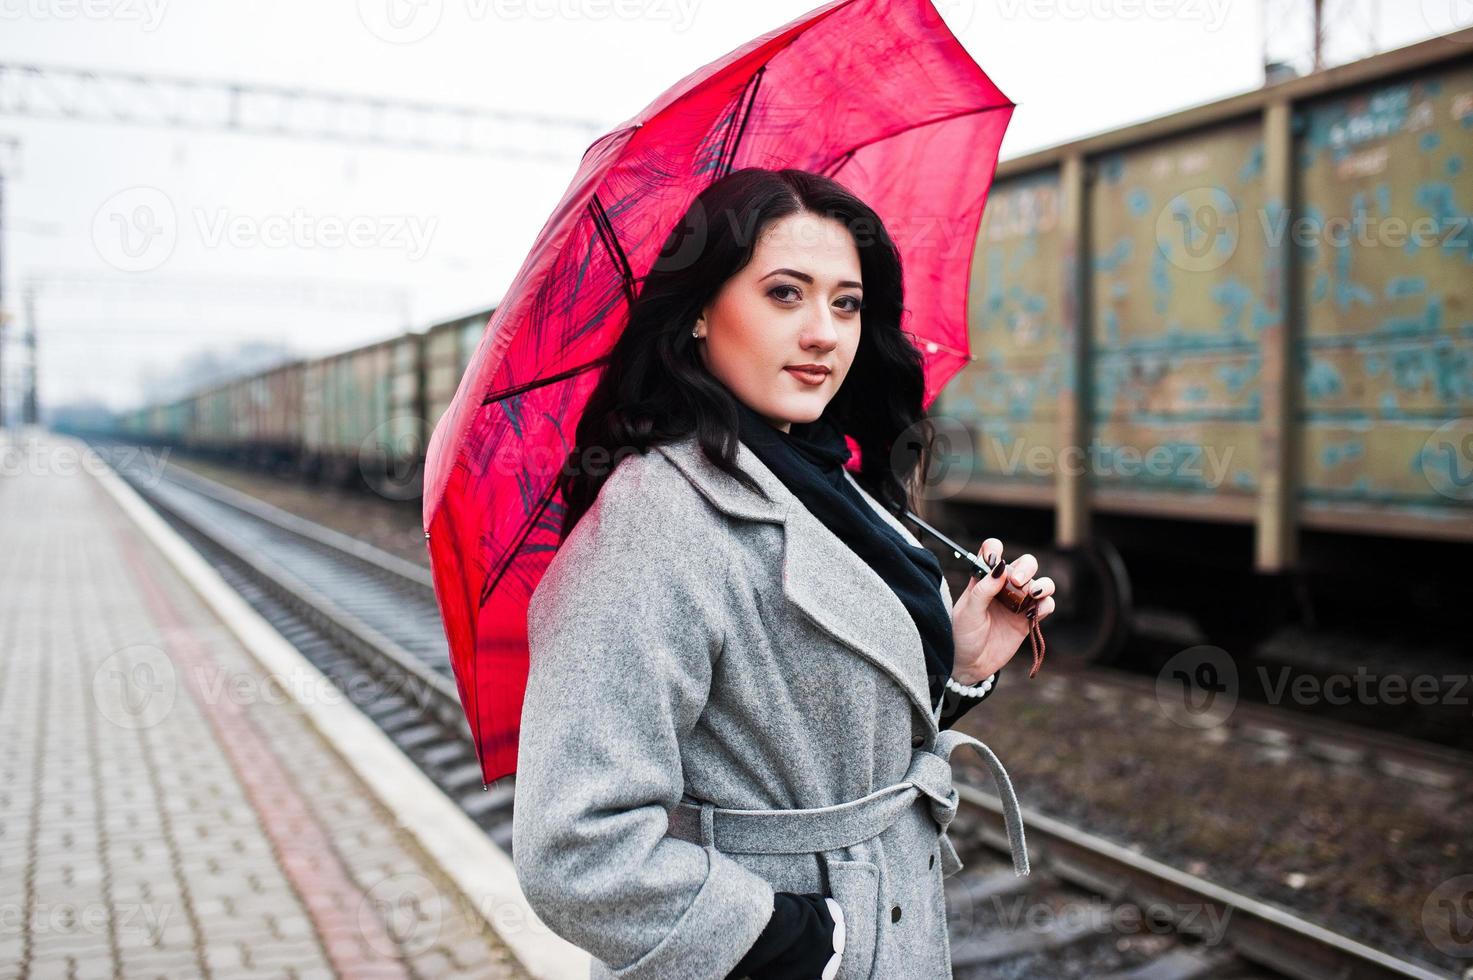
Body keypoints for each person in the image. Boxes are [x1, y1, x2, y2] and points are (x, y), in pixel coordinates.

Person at [513, 167, 1055, 979]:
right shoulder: (655, 520)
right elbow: (575, 849)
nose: (824, 334)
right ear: (699, 310)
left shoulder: (831, 481)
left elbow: (813, 732)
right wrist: (804, 945)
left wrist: (964, 664)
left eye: (845, 303)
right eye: (783, 295)